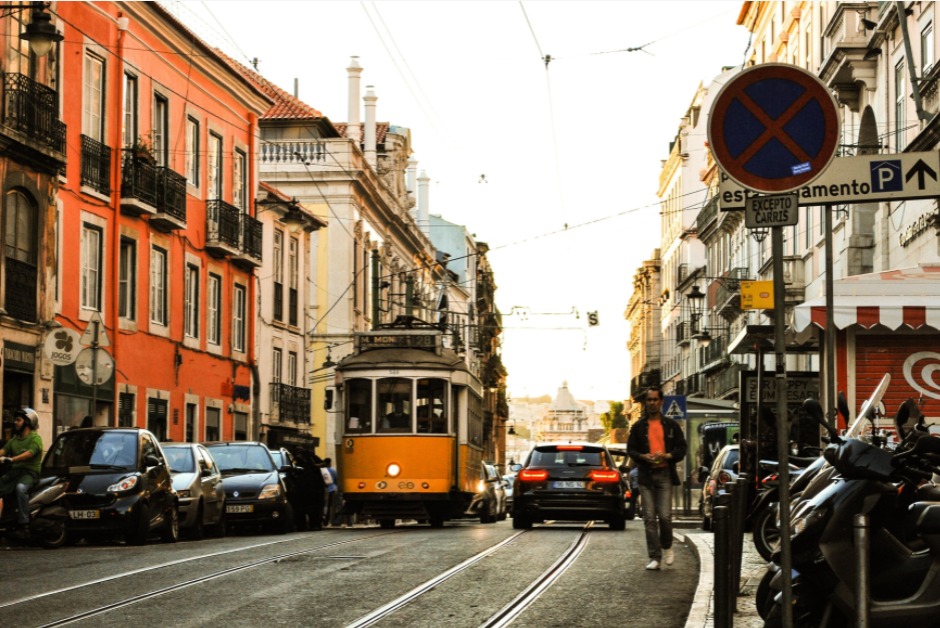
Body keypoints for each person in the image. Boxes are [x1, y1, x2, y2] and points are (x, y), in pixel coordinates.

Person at [627, 386, 687, 571]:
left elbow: (681, 448)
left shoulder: (671, 426)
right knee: (649, 518)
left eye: (655, 399)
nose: (652, 403)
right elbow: (631, 450)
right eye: (649, 400)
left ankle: (667, 546)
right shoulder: (638, 427)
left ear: (661, 402)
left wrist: (668, 456)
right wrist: (643, 457)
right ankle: (655, 557)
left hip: (664, 475)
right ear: (646, 402)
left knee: (665, 516)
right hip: (646, 476)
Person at [0, 408, 44, 537]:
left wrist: (12, 459)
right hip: (15, 473)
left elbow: (30, 453)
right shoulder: (15, 440)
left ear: (27, 422)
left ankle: (24, 523)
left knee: (20, 488)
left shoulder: (35, 439)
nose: (15, 422)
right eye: (16, 420)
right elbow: (4, 450)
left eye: (19, 420)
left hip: (30, 473)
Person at [323, 457, 338, 526]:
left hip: (324, 490)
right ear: (330, 463)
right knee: (331, 506)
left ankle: (324, 520)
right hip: (332, 489)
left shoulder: (322, 471)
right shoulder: (333, 471)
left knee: (325, 505)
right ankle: (331, 521)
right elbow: (336, 481)